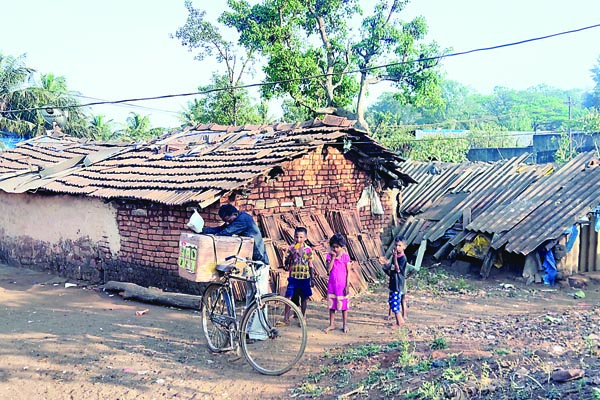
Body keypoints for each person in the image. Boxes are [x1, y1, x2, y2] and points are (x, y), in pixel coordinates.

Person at [202, 204, 270, 342]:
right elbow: (222, 228)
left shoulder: (243, 219)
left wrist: (210, 237)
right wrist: (205, 231)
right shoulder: (236, 219)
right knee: (251, 297)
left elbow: (225, 232)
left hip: (259, 263)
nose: (228, 223)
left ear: (233, 214)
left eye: (228, 220)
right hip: (250, 263)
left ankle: (259, 333)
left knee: (260, 298)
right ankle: (248, 330)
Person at [378, 236, 419, 328]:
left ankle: (399, 322)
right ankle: (399, 321)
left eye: (399, 246)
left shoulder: (403, 258)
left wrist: (395, 258)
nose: (397, 248)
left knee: (396, 303)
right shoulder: (395, 256)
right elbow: (390, 267)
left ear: (404, 246)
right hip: (393, 282)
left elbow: (398, 269)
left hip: (398, 284)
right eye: (396, 245)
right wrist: (384, 263)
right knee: (392, 302)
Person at [283, 227, 315, 324]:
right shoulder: (291, 248)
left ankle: (302, 317)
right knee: (289, 297)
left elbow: (310, 264)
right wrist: (291, 255)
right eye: (296, 237)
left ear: (305, 237)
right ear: (294, 237)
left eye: (301, 237)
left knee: (304, 298)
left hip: (304, 278)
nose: (298, 240)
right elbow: (286, 264)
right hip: (293, 277)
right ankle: (286, 317)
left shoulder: (308, 250)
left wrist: (312, 278)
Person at [323, 233, 350, 334]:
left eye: (337, 247)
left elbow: (348, 272)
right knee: (332, 305)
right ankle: (331, 324)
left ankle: (345, 324)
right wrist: (333, 258)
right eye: (333, 247)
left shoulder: (345, 257)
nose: (335, 249)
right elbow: (328, 270)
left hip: (342, 285)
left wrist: (347, 285)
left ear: (342, 247)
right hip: (332, 285)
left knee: (344, 306)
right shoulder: (329, 256)